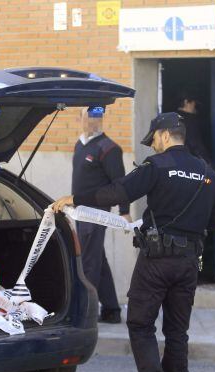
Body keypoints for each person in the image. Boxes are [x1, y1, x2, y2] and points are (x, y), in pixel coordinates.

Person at [52, 112, 215, 372]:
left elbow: (117, 191)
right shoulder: (206, 172)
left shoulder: (157, 167)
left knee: (139, 323)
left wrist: (75, 199)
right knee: (177, 331)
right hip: (188, 264)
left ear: (162, 135)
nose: (154, 146)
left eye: (154, 140)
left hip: (156, 262)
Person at [71, 106, 130, 324]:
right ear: (80, 118)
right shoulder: (80, 144)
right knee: (97, 259)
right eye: (88, 116)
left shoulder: (109, 148)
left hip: (96, 214)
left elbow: (121, 183)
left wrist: (125, 212)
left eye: (97, 117)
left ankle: (87, 313)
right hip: (80, 213)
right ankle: (112, 311)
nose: (92, 121)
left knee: (88, 262)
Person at [176, 90, 214, 170]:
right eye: (194, 103)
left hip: (175, 163)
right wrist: (208, 163)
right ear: (186, 102)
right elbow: (196, 145)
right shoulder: (190, 121)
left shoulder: (171, 119)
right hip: (190, 164)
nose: (194, 107)